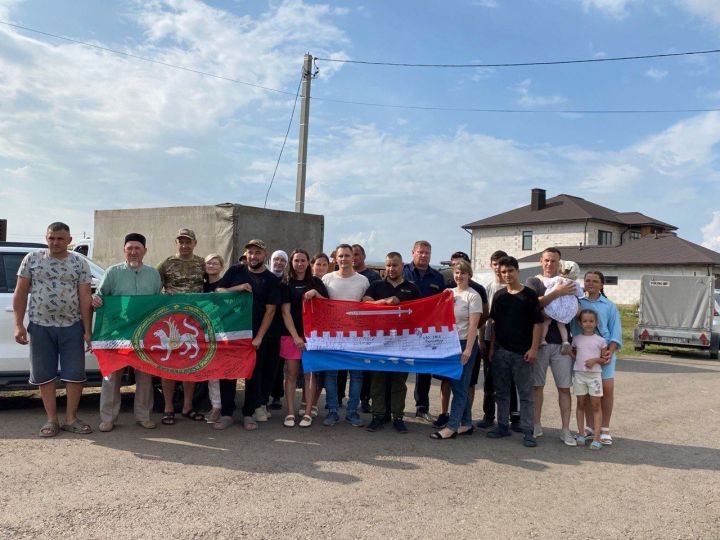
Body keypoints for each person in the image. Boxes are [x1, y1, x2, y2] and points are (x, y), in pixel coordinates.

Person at [13, 222, 93, 437]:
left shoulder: (79, 263)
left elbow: (85, 297)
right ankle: (51, 420)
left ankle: (71, 419)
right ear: (46, 238)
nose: (55, 242)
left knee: (75, 375)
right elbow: (20, 292)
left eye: (60, 238)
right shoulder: (32, 259)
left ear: (69, 240)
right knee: (44, 374)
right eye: (51, 238)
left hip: (72, 326)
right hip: (40, 326)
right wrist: (19, 324)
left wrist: (87, 331)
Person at [92, 233, 162, 432]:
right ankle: (108, 418)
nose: (133, 252)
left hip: (144, 333)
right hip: (116, 334)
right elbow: (100, 296)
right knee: (111, 376)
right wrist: (96, 299)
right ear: (124, 250)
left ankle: (144, 416)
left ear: (145, 251)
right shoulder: (112, 272)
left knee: (145, 376)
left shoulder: (153, 274)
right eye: (129, 248)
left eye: (137, 248)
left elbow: (158, 301)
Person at [214, 239, 280, 430]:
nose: (253, 256)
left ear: (265, 255)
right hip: (232, 332)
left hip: (255, 335)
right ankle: (227, 413)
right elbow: (218, 291)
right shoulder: (235, 271)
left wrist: (259, 337)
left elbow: (271, 311)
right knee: (228, 373)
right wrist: (237, 288)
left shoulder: (271, 280)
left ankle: (248, 414)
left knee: (253, 374)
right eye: (250, 252)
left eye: (258, 252)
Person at [487, 256, 543, 448]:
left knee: (525, 394)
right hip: (501, 352)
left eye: (510, 271)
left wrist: (533, 348)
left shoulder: (529, 295)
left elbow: (537, 324)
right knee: (501, 392)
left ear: (517, 271)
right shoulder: (499, 296)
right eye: (503, 272)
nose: (507, 275)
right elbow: (494, 324)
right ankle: (502, 426)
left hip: (523, 353)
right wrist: (492, 348)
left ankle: (528, 431)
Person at [362, 252, 420, 434]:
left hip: (402, 342)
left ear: (402, 266)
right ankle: (378, 416)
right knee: (377, 380)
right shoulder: (376, 286)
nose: (391, 269)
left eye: (394, 265)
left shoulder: (412, 288)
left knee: (399, 382)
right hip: (379, 342)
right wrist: (385, 302)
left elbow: (421, 311)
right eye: (388, 265)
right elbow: (365, 304)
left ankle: (398, 417)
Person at [525, 247, 578, 446]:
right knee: (536, 387)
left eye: (554, 261)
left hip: (562, 345)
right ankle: (536, 425)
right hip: (539, 343)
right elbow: (532, 304)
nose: (549, 264)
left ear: (559, 263)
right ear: (541, 261)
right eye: (546, 260)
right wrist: (557, 293)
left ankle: (566, 429)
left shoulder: (567, 282)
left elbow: (575, 306)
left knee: (564, 388)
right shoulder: (533, 281)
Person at [156, 228, 206, 425]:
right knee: (169, 364)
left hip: (194, 321)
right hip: (172, 320)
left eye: (188, 241)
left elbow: (214, 283)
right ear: (176, 243)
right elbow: (154, 288)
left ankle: (187, 407)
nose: (184, 245)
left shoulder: (202, 263)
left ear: (195, 243)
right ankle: (168, 408)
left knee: (190, 362)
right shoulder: (166, 264)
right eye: (181, 242)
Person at [434, 251, 488, 429]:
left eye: (463, 273)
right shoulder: (448, 293)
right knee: (456, 383)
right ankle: (466, 423)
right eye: (457, 272)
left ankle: (452, 426)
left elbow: (473, 326)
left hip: (465, 343)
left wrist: (468, 350)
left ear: (469, 275)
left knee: (461, 386)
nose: (459, 276)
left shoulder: (474, 296)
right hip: (450, 343)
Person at [320, 244, 370, 427]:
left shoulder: (363, 281)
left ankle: (352, 412)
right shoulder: (327, 278)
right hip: (333, 334)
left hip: (356, 335)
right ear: (336, 258)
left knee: (356, 375)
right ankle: (333, 411)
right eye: (340, 256)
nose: (344, 259)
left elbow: (368, 305)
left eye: (347, 255)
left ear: (352, 257)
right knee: (331, 373)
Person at [570, 270, 622, 446]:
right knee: (585, 392)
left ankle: (605, 428)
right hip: (583, 354)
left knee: (606, 389)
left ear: (601, 285)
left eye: (594, 281)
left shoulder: (609, 305)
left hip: (604, 353)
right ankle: (590, 427)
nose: (590, 283)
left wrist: (610, 351)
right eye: (587, 280)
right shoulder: (577, 303)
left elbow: (616, 331)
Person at [280, 249, 329, 428]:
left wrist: (316, 293)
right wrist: (295, 337)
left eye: (303, 260)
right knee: (291, 374)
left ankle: (308, 413)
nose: (300, 264)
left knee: (310, 374)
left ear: (308, 262)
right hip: (291, 336)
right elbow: (285, 312)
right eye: (296, 260)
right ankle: (290, 412)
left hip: (312, 337)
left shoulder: (316, 282)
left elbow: (327, 306)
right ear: (291, 263)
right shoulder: (285, 283)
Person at [477, 250, 521, 431]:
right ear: (491, 265)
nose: (498, 268)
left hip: (511, 341)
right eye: (495, 264)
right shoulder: (488, 287)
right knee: (490, 380)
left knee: (512, 381)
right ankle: (489, 415)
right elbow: (483, 316)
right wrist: (481, 340)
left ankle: (514, 417)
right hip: (490, 338)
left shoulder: (517, 288)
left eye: (501, 265)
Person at [403, 240, 446, 422]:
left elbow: (442, 304)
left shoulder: (437, 277)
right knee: (400, 368)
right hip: (404, 328)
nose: (423, 255)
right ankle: (395, 408)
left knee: (424, 371)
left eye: (427, 253)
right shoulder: (403, 272)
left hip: (427, 329)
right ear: (412, 252)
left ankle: (422, 407)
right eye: (420, 252)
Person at [571, 309, 607, 451]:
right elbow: (575, 355)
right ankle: (581, 434)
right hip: (579, 375)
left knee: (596, 406)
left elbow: (604, 359)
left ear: (596, 323)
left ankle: (597, 438)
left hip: (594, 377)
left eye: (591, 321)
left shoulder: (600, 341)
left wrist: (595, 360)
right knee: (580, 404)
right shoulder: (576, 339)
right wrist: (570, 354)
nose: (588, 324)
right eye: (585, 321)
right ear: (580, 323)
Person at [539, 260, 583, 354]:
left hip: (554, 306)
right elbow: (580, 294)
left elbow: (546, 283)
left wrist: (540, 277)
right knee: (561, 324)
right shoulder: (574, 284)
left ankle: (542, 339)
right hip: (566, 309)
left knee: (546, 321)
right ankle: (565, 341)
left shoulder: (558, 279)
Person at [202, 253, 226, 424]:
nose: (211, 265)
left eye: (215, 263)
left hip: (223, 333)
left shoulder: (226, 285)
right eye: (208, 263)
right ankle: (215, 405)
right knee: (211, 372)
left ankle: (225, 405)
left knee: (224, 371)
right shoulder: (200, 286)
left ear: (221, 266)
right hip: (203, 333)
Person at [268, 250, 289, 411]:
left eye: (282, 260)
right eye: (276, 259)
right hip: (264, 324)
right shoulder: (264, 278)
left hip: (281, 326)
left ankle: (276, 395)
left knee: (278, 362)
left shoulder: (287, 281)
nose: (279, 262)